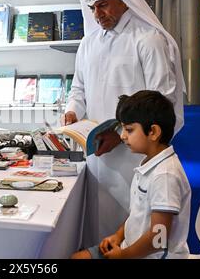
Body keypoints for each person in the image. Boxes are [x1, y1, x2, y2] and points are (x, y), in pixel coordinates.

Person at [63, 0, 186, 248]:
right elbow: (78, 89)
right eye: (93, 8)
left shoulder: (148, 39)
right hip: (97, 153)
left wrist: (120, 135)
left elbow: (161, 102)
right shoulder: (89, 43)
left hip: (135, 155)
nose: (97, 15)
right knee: (100, 228)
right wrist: (72, 111)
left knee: (136, 228)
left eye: (103, 5)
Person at [72, 90, 191, 259]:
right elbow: (137, 215)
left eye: (129, 129)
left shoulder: (164, 175)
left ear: (153, 132)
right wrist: (118, 236)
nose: (122, 136)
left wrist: (123, 255)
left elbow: (158, 239)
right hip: (130, 248)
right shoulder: (149, 163)